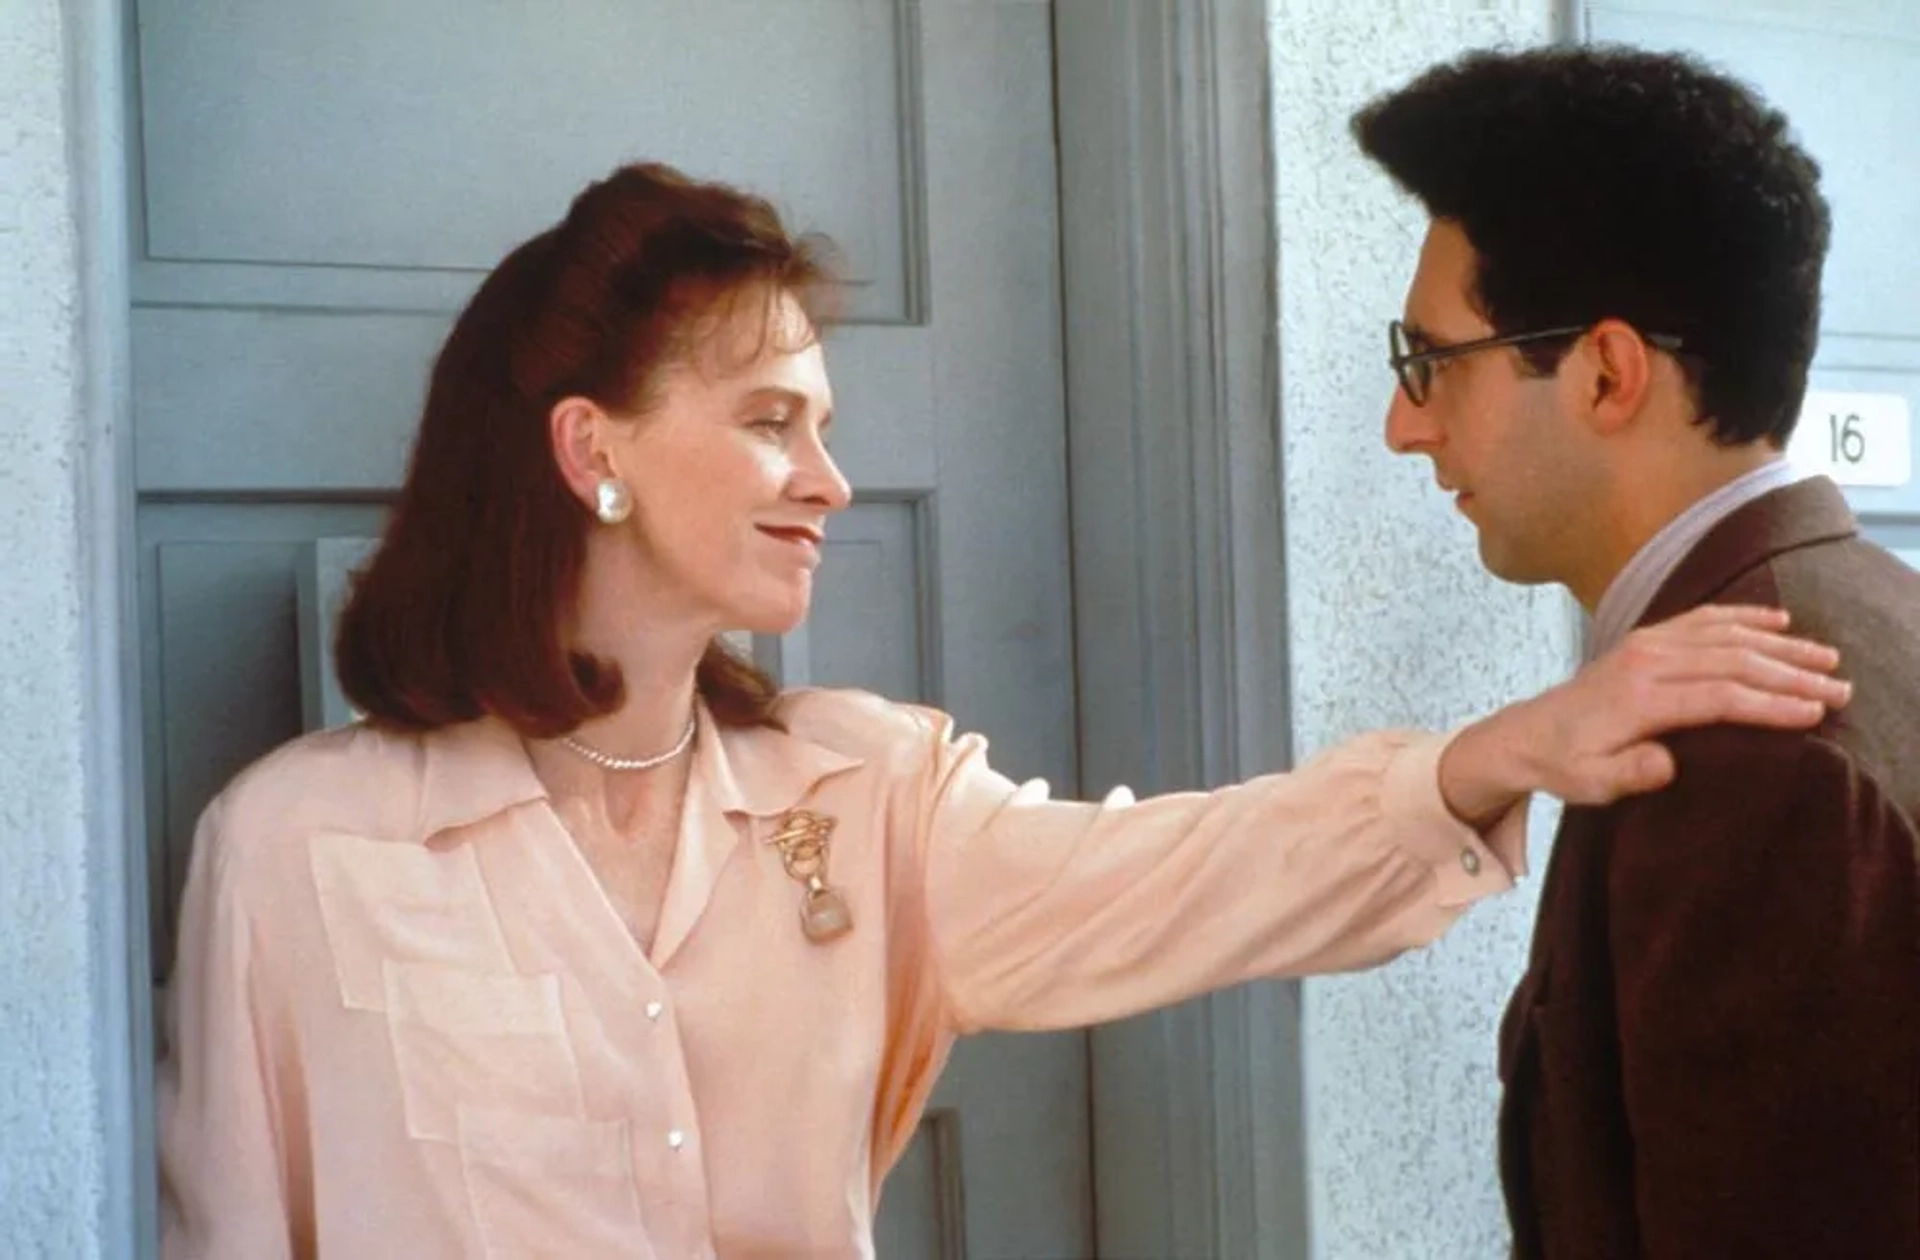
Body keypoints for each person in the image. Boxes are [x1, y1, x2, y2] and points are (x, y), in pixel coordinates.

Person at [156, 160, 1852, 1259]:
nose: (829, 480)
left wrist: (1502, 753)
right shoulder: (303, 846)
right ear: (592, 453)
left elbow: (1179, 879)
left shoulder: (862, 797)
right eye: (770, 423)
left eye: (823, 423)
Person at [1356, 45, 1919, 1259]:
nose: (1406, 425)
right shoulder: (1857, 616)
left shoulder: (1755, 744)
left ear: (1607, 372)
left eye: (1430, 361)